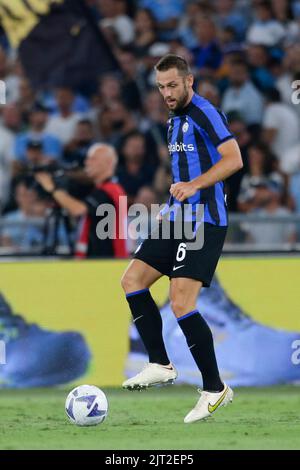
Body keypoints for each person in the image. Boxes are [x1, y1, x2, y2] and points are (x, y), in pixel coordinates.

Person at [121, 54, 243, 423]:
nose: (167, 93)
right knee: (132, 280)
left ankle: (215, 388)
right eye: (161, 87)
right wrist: (171, 202)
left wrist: (194, 186)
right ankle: (159, 362)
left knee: (180, 302)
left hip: (205, 221)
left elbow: (233, 159)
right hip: (178, 218)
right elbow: (183, 172)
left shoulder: (206, 112)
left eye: (173, 85)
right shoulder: (173, 119)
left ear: (189, 81)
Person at [35, 143, 128, 259]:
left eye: (92, 159)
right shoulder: (110, 189)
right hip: (104, 260)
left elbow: (79, 209)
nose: (86, 162)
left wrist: (52, 188)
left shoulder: (109, 191)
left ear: (108, 163)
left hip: (105, 261)